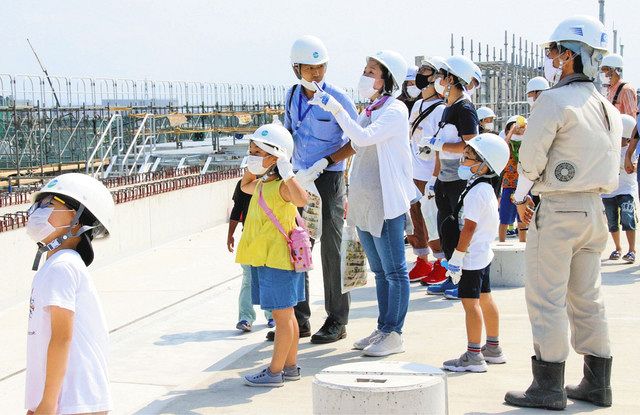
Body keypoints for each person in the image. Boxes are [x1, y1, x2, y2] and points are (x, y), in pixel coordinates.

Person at [505, 15, 620, 410]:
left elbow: (532, 157)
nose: (552, 57)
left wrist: (520, 197)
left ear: (570, 56)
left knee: (546, 299)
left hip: (558, 210)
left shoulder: (554, 100)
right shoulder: (606, 106)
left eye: (555, 51)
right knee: (588, 298)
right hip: (594, 211)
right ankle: (596, 382)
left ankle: (549, 385)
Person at [310, 50, 416, 357]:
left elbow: (364, 138)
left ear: (387, 79)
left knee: (395, 270)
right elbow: (355, 142)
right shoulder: (372, 108)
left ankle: (395, 333)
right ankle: (383, 328)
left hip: (385, 200)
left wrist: (337, 110)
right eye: (365, 70)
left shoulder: (395, 110)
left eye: (371, 72)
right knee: (380, 271)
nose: (365, 76)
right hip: (364, 200)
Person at [280, 35, 358, 344]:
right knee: (298, 245)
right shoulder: (291, 96)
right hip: (300, 177)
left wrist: (329, 160)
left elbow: (357, 138)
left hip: (328, 178)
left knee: (332, 249)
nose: (316, 75)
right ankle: (299, 319)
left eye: (321, 68)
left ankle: (337, 319)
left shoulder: (338, 98)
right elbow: (288, 132)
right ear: (296, 68)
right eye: (310, 69)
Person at [25, 173, 114, 414]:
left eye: (50, 203)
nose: (37, 211)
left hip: (72, 402)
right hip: (69, 401)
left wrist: (47, 404)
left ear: (76, 221)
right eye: (38, 203)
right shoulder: (57, 265)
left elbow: (62, 337)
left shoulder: (63, 266)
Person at [236, 123, 309, 387]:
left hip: (278, 260)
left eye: (257, 151)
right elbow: (245, 185)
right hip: (270, 259)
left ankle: (274, 371)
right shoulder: (263, 184)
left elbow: (301, 199)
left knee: (282, 318)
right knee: (286, 316)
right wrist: (254, 164)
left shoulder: (281, 186)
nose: (252, 154)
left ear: (274, 155)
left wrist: (287, 170)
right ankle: (289, 368)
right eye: (251, 150)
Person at [441, 133, 509, 372]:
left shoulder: (476, 193)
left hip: (471, 257)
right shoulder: (484, 188)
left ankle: (474, 355)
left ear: (484, 165)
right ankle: (493, 347)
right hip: (483, 254)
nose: (463, 161)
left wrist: (457, 258)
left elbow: (468, 228)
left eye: (468, 157)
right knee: (485, 298)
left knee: (470, 305)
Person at [421, 54, 482, 301]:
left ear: (454, 79)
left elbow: (471, 144)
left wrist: (443, 145)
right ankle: (451, 275)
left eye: (442, 76)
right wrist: (434, 178)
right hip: (445, 178)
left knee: (458, 228)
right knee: (445, 228)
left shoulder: (465, 109)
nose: (438, 80)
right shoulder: (448, 108)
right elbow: (439, 149)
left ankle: (464, 280)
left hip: (459, 177)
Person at [408, 56, 448, 284]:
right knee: (416, 220)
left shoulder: (440, 108)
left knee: (432, 220)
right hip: (414, 170)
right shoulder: (417, 105)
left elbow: (440, 147)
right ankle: (422, 260)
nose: (420, 74)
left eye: (426, 70)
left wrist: (435, 177)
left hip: (430, 173)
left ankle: (441, 262)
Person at [228, 175, 274, 332]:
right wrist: (230, 235)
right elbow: (237, 209)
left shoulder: (278, 180)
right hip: (249, 237)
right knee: (248, 278)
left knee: (269, 277)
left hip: (272, 238)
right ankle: (245, 317)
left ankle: (273, 314)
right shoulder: (244, 183)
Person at [602, 114, 638, 263]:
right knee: (612, 221)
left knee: (627, 218)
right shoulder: (608, 148)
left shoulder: (632, 151)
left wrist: (631, 165)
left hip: (626, 190)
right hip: (609, 191)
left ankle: (631, 250)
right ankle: (618, 248)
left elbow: (634, 167)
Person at [499, 115, 528, 243]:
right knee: (504, 218)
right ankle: (501, 243)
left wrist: (526, 131)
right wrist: (511, 132)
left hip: (525, 184)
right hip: (509, 184)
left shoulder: (526, 142)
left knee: (523, 219)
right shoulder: (508, 142)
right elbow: (502, 147)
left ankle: (523, 243)